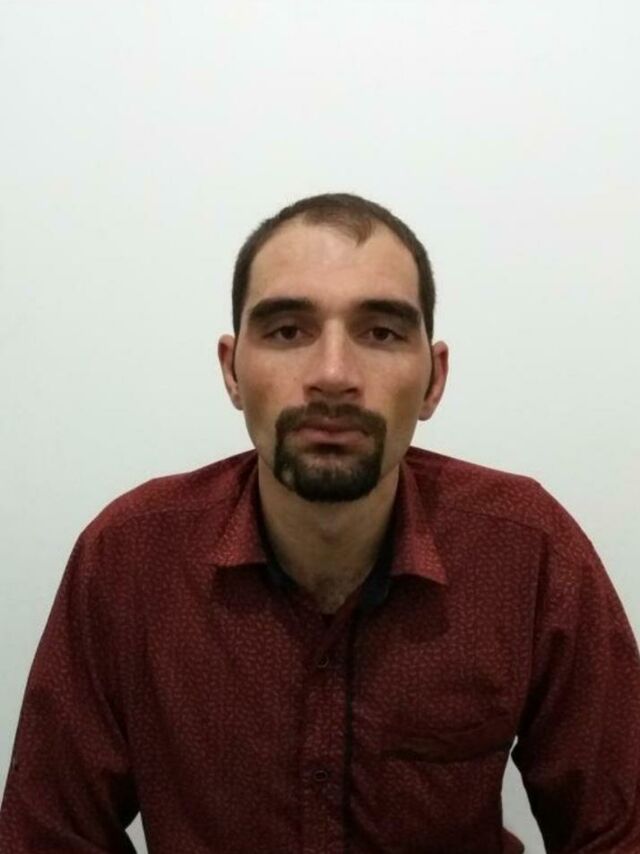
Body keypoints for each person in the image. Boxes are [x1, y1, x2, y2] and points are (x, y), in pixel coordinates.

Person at [1, 192, 638, 854]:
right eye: (287, 331)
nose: (333, 375)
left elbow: (618, 830)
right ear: (232, 371)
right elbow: (48, 838)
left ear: (433, 380)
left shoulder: (526, 551)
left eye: (381, 332)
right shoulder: (129, 561)